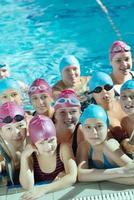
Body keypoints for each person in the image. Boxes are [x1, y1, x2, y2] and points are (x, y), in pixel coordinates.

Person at [20, 115, 77, 200]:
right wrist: (24, 157)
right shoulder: (31, 156)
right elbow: (27, 186)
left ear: (56, 136)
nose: (48, 147)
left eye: (51, 140)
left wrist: (44, 189)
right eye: (42, 143)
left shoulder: (63, 148)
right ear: (34, 143)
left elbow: (72, 177)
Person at [77, 104, 134, 184]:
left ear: (107, 128)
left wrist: (96, 176)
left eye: (99, 126)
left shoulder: (109, 145)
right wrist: (121, 171)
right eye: (88, 127)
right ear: (82, 129)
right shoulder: (84, 146)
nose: (94, 132)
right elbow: (81, 175)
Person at [88, 71, 134, 154]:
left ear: (113, 88)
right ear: (92, 95)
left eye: (108, 87)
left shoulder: (126, 102)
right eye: (98, 90)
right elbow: (108, 147)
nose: (105, 92)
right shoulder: (95, 116)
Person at [0, 102, 27, 185]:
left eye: (20, 125)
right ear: (1, 132)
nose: (16, 132)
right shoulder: (1, 152)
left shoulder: (38, 143)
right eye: (9, 128)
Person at [54, 89, 84, 157]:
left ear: (80, 113)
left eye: (73, 111)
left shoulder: (81, 132)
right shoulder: (48, 131)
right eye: (62, 112)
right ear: (55, 115)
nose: (68, 117)